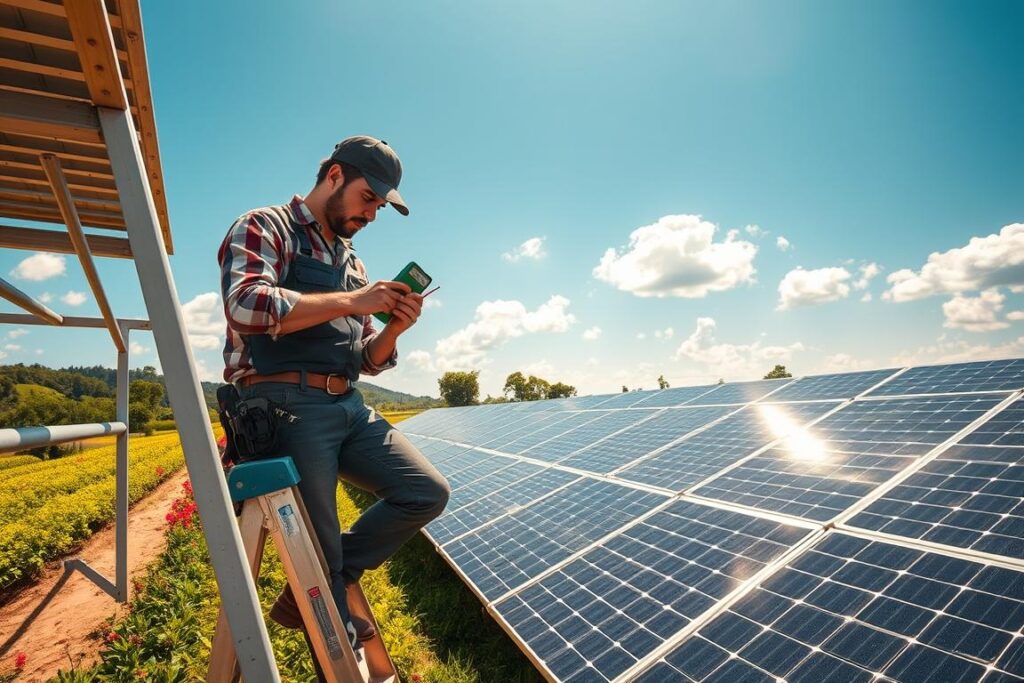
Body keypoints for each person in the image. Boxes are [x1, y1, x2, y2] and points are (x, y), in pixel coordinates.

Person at [217, 136, 450, 650]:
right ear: (336, 175)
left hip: (347, 405)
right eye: (370, 198)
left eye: (381, 207)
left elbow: (367, 355)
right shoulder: (265, 225)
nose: (372, 214)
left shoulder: (352, 262)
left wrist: (392, 331)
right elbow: (246, 305)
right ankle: (330, 614)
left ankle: (335, 580)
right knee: (316, 546)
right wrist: (353, 299)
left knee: (425, 492)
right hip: (283, 404)